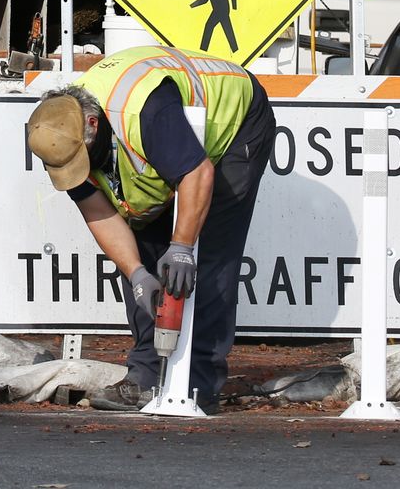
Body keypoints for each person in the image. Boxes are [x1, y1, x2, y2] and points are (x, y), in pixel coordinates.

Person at [26, 44, 276, 414]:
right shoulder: (59, 136)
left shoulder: (144, 111)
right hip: (169, 140)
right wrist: (138, 274)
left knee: (210, 257)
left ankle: (198, 384)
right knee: (143, 247)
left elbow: (197, 173)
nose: (80, 168)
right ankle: (145, 378)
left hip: (235, 122)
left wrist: (181, 248)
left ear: (92, 125)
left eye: (84, 159)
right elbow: (98, 212)